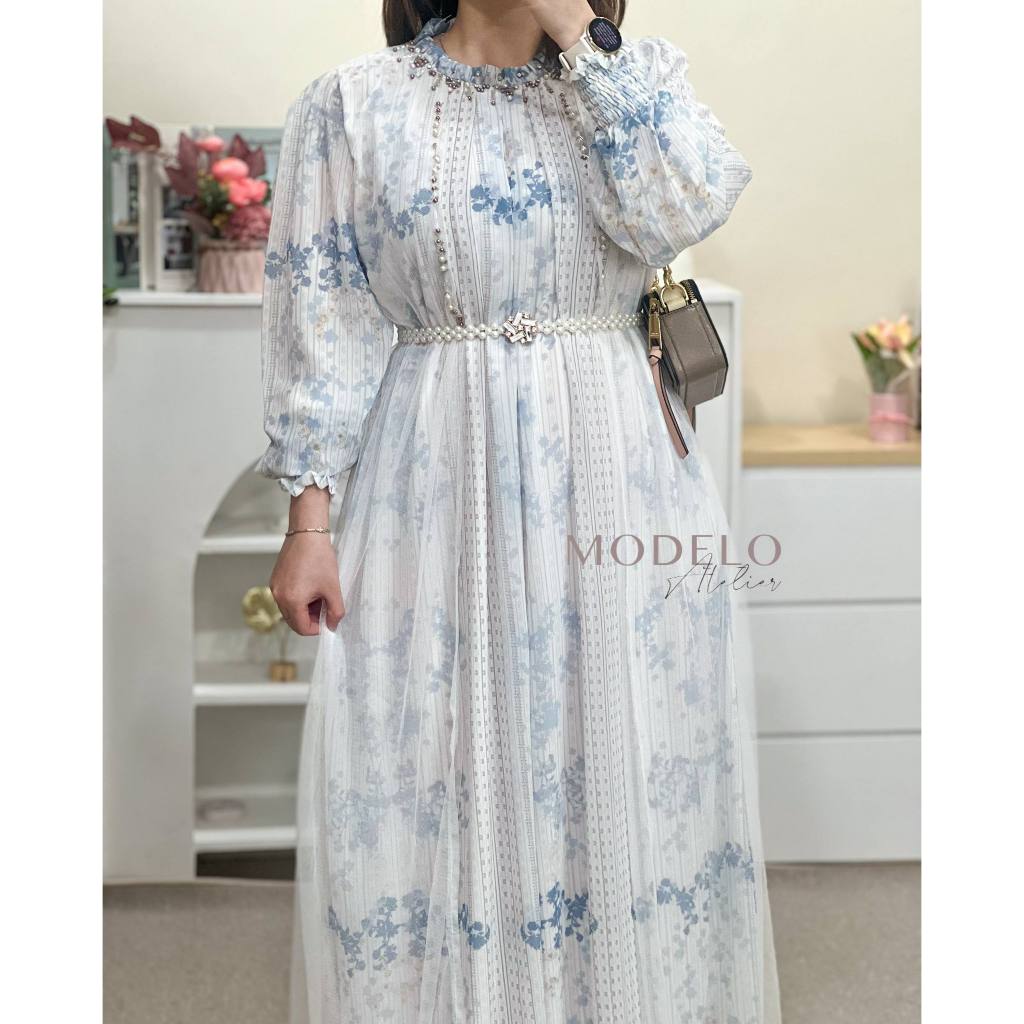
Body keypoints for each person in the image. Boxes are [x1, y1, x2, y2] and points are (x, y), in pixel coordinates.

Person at [257, 2, 778, 1020]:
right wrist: (309, 524)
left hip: (617, 471)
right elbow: (319, 320)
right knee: (433, 758)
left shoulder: (635, 79)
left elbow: (681, 209)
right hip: (432, 469)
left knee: (617, 754)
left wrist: (583, 37)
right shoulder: (352, 105)